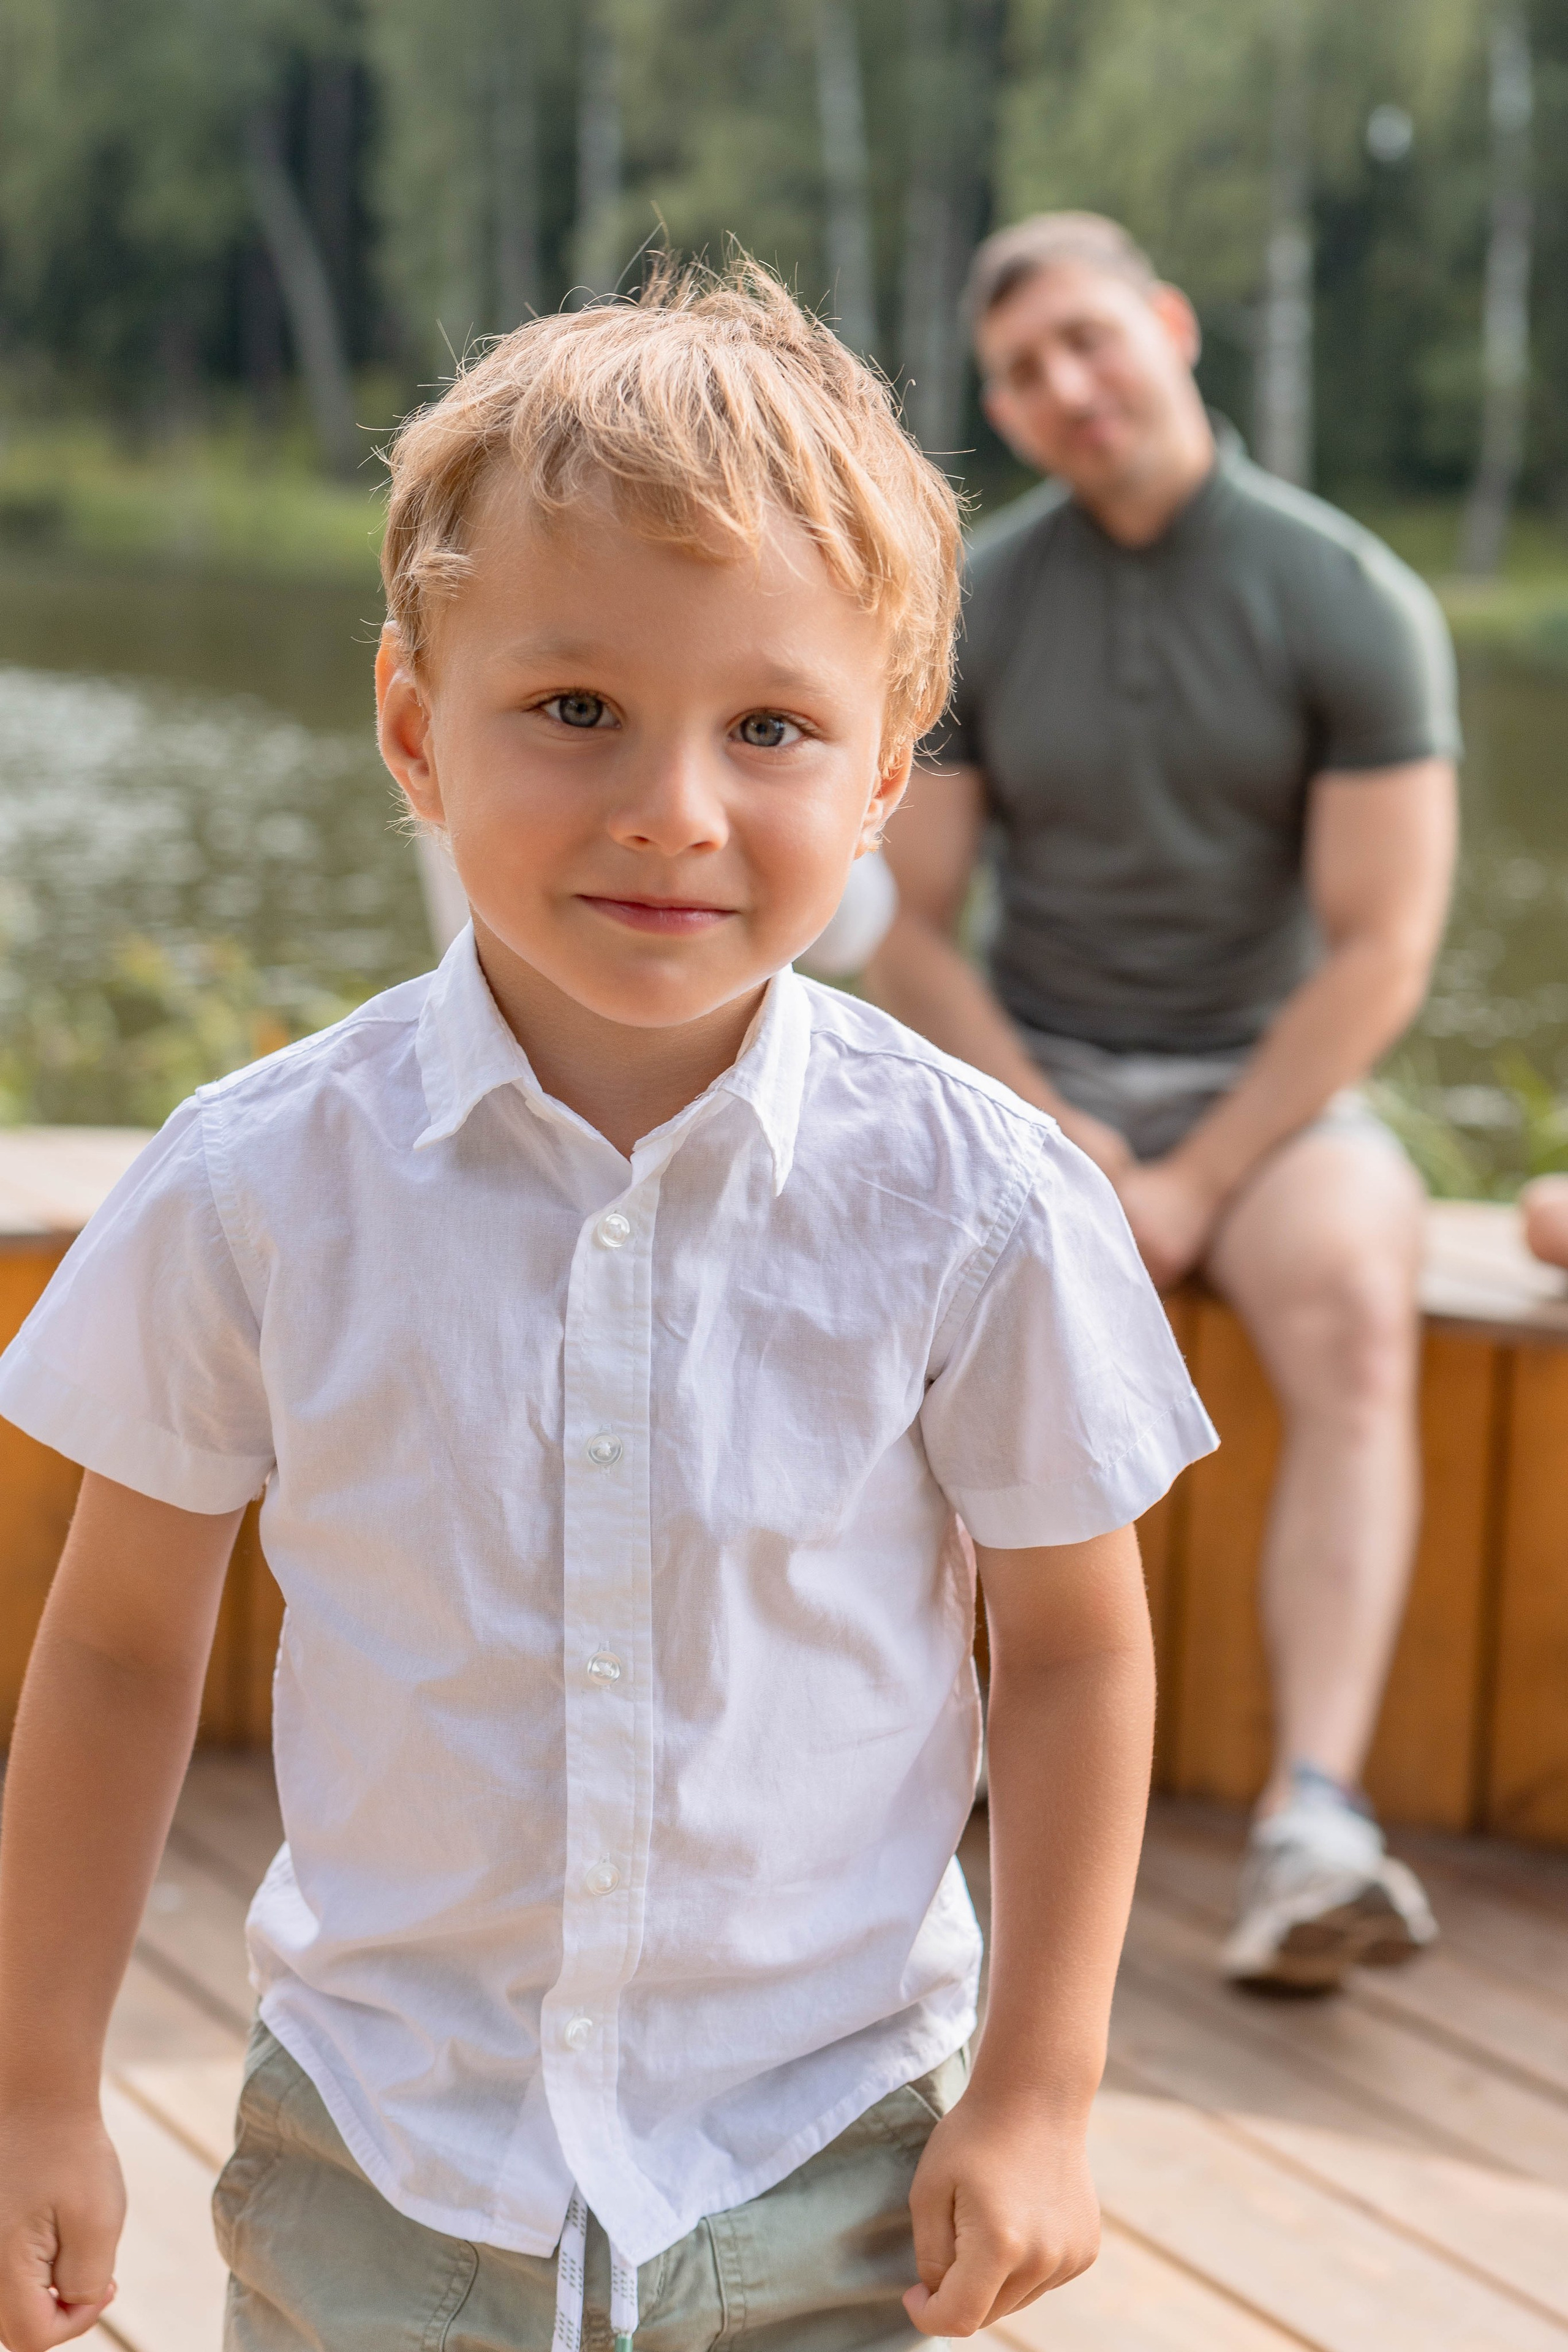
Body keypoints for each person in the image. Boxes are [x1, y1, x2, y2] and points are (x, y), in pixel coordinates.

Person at [0, 260, 1215, 2352]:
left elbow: (1080, 1657)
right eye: (576, 711)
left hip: (828, 2166)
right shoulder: (259, 1182)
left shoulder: (982, 1204)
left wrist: (1039, 2092)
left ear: (887, 777)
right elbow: (114, 1650)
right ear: (414, 723)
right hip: (381, 2161)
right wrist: (31, 2091)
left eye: (773, 727)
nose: (675, 808)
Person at [867, 212, 1460, 1994]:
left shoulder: (1347, 597)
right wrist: (1060, 1136)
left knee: (1361, 1306)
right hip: (1036, 1073)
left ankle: (1315, 1822)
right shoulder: (982, 604)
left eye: (1088, 340)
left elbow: (1382, 953)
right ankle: (895, 1820)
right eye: (1024, 370)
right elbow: (907, 927)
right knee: (897, 1288)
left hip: (1265, 1094)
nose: (1066, 386)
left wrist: (1197, 1171)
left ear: (1172, 329)